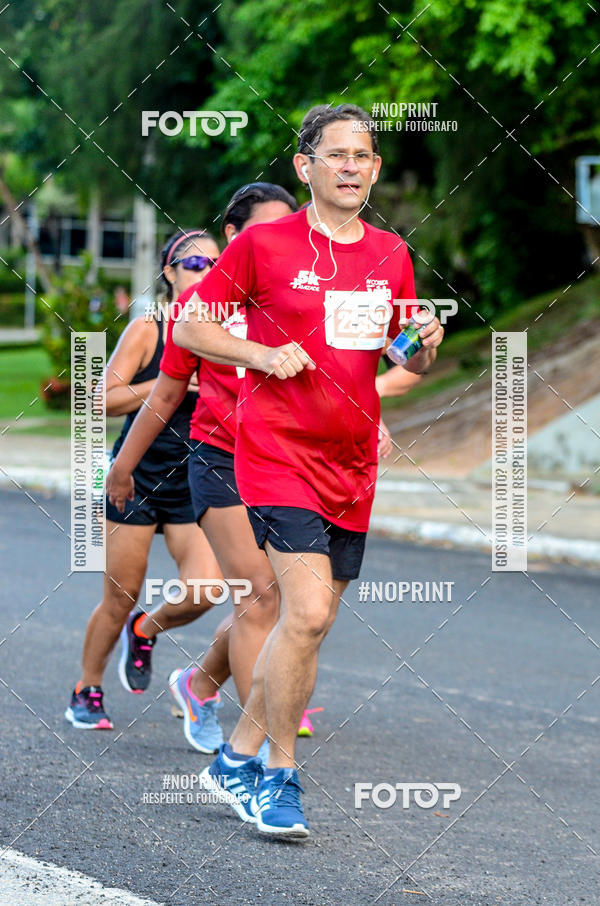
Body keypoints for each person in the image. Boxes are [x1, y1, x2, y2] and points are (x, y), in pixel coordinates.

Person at [171, 103, 445, 837]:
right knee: (310, 610)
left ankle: (235, 757)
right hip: (276, 454)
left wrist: (423, 343)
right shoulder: (265, 245)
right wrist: (260, 355)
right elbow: (192, 323)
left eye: (364, 156)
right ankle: (276, 780)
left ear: (376, 170)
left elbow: (406, 358)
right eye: (337, 155)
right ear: (306, 167)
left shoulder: (391, 253)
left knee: (307, 628)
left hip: (351, 462)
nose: (352, 166)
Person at [106, 184, 298, 754]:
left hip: (287, 465)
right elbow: (155, 398)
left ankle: (200, 683)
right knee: (255, 598)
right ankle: (256, 744)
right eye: (191, 262)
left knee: (277, 603)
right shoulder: (192, 314)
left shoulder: (294, 299)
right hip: (213, 465)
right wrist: (121, 466)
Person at [65, 229, 223, 734]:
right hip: (131, 481)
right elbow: (94, 402)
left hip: (192, 483)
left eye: (214, 262)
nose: (205, 271)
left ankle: (147, 628)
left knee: (207, 590)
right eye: (192, 263)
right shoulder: (148, 330)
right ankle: (85, 690)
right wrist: (164, 383)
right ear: (169, 273)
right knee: (119, 596)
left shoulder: (227, 332)